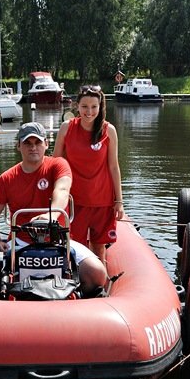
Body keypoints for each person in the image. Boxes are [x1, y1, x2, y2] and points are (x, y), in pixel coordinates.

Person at [0, 121, 108, 297]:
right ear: (18, 146)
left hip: (57, 241)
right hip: (20, 242)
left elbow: (62, 190)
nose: (33, 147)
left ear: (46, 144)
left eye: (37, 143)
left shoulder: (58, 165)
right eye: (27, 143)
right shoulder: (6, 179)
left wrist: (50, 215)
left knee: (97, 273)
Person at [53, 85, 124, 263]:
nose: (89, 111)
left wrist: (119, 201)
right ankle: (76, 284)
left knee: (99, 247)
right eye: (85, 106)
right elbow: (56, 163)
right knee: (75, 246)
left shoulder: (109, 131)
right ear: (77, 106)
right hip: (75, 201)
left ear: (100, 107)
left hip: (102, 200)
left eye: (94, 106)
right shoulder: (66, 128)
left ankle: (99, 285)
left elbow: (114, 167)